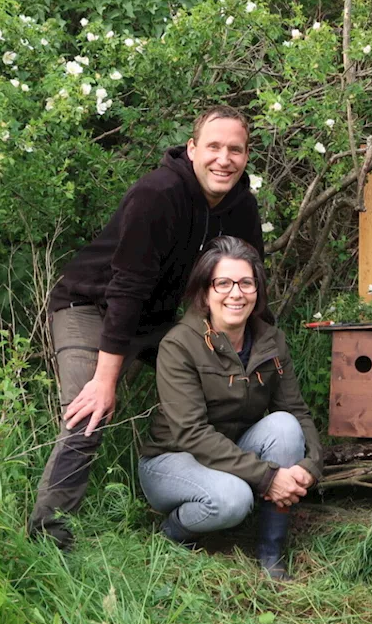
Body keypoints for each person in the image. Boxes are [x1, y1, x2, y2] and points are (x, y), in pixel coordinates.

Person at [28, 106, 265, 550]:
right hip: (92, 306)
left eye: (235, 149)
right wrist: (105, 379)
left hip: (161, 322)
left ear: (246, 156)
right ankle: (48, 534)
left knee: (219, 382)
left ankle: (203, 497)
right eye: (213, 146)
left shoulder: (241, 208)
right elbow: (127, 289)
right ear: (192, 149)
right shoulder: (158, 193)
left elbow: (249, 283)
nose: (224, 159)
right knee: (88, 413)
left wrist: (248, 353)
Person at [138, 236, 323, 580]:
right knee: (233, 499)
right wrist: (268, 477)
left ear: (257, 290)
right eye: (223, 283)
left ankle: (271, 552)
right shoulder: (180, 344)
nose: (235, 293)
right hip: (173, 459)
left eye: (245, 283)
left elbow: (296, 411)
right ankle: (172, 534)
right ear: (205, 292)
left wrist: (311, 466)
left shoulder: (271, 340)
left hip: (233, 451)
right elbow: (190, 433)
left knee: (283, 426)